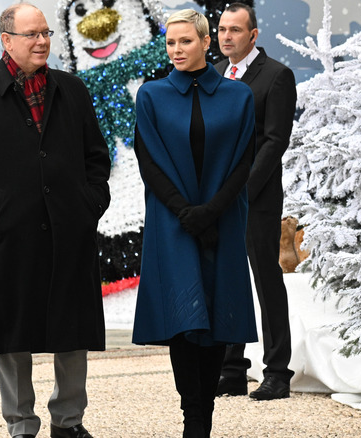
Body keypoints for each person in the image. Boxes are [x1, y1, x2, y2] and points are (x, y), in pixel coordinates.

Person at [0, 3, 111, 438]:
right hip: (8, 235)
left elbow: (96, 158)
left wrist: (89, 203)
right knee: (12, 332)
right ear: (6, 40)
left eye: (46, 33)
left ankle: (68, 421)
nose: (42, 41)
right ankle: (21, 423)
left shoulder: (72, 89)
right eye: (32, 34)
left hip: (69, 230)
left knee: (72, 329)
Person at [131, 9, 257, 438]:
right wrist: (185, 212)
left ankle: (205, 419)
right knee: (184, 320)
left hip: (223, 219)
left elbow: (244, 160)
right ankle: (193, 420)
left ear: (207, 42)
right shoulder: (151, 95)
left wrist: (212, 210)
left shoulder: (239, 97)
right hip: (173, 223)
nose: (177, 50)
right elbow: (147, 160)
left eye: (185, 41)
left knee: (219, 315)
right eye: (170, 42)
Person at [214, 2, 298, 401]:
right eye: (222, 29)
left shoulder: (277, 76)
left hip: (256, 198)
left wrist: (241, 192)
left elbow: (274, 142)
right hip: (219, 200)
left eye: (235, 30)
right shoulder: (214, 75)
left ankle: (278, 373)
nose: (226, 36)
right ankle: (232, 369)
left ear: (253, 35)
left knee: (266, 280)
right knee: (227, 280)